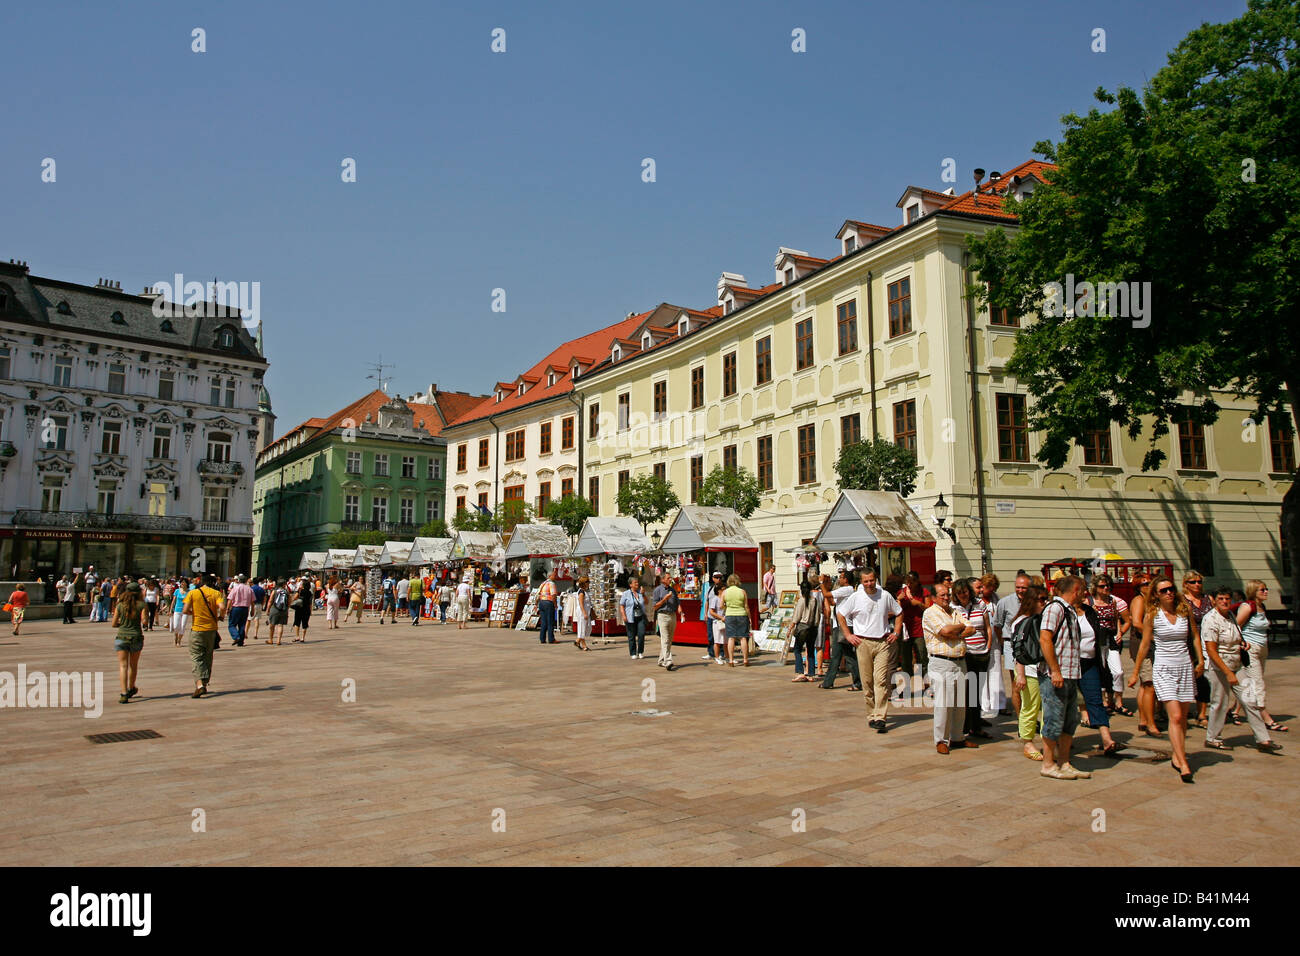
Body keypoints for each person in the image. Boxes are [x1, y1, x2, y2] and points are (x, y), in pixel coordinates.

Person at [1130, 575, 1203, 782]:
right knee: (1176, 716)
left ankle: (1177, 754)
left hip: (1185, 667)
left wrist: (1201, 660)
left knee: (1183, 718)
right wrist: (1135, 672)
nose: (1169, 593)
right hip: (1163, 668)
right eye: (1163, 591)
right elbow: (1144, 645)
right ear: (1156, 595)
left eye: (1171, 589)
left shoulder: (1184, 611)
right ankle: (1183, 762)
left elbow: (1195, 636)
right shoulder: (1152, 615)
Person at [1201, 587, 1281, 752]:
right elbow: (1211, 650)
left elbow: (1235, 635)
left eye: (1227, 599)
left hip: (1236, 663)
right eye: (1221, 598)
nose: (1224, 602)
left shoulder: (1230, 615)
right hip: (1218, 666)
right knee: (1220, 703)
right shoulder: (1211, 619)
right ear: (1214, 600)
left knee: (1250, 700)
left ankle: (1263, 739)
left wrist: (1242, 644)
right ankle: (1213, 738)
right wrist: (1228, 673)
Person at [1037, 574, 1092, 780]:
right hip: (1055, 676)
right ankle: (1048, 763)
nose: (1085, 594)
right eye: (1083, 590)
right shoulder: (1055, 608)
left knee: (1070, 720)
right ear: (1076, 589)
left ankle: (1064, 761)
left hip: (1071, 674)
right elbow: (1045, 639)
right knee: (1053, 718)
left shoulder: (1069, 611)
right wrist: (1055, 670)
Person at [837, 567, 903, 733]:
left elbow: (899, 612)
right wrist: (848, 635)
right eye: (866, 581)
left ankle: (880, 716)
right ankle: (871, 714)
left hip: (882, 642)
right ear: (861, 582)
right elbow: (841, 614)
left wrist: (896, 632)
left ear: (876, 579)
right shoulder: (856, 597)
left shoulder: (885, 595)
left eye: (872, 580)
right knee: (867, 682)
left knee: (880, 680)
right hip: (863, 643)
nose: (869, 584)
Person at [923, 581, 977, 754]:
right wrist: (959, 630)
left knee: (960, 703)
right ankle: (941, 739)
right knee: (943, 703)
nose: (946, 598)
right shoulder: (930, 613)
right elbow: (944, 631)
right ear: (933, 598)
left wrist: (955, 631)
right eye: (942, 595)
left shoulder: (954, 612)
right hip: (941, 662)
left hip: (960, 660)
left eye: (947, 594)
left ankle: (958, 737)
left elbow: (972, 629)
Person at [1234, 580, 1288, 733]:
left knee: (1252, 682)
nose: (1266, 592)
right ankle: (1267, 719)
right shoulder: (1247, 607)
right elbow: (1236, 626)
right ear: (1253, 592)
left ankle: (1233, 711)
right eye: (1262, 590)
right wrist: (1241, 643)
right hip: (1250, 649)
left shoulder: (1261, 607)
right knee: (1257, 684)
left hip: (1263, 649)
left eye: (1266, 589)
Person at [1087, 573, 1132, 717]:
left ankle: (1118, 701)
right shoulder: (1089, 601)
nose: (1106, 588)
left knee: (1117, 671)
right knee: (1100, 670)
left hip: (1110, 639)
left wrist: (1120, 632)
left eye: (1108, 585)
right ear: (1095, 587)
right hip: (1096, 640)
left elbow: (1123, 619)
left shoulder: (1114, 601)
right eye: (1102, 586)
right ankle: (1104, 701)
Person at [1011, 584, 1047, 760]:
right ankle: (1028, 742)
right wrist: (1021, 675)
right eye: (1041, 599)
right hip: (1029, 670)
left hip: (1045, 670)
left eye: (1046, 599)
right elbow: (1018, 651)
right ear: (1032, 601)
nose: (1045, 602)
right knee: (1030, 707)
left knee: (1048, 708)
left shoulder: (1044, 619)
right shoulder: (1021, 622)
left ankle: (1049, 740)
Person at [954, 578, 993, 739]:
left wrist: (988, 646)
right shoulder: (953, 608)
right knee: (966, 691)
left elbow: (987, 627)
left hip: (982, 653)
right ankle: (964, 726)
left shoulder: (980, 605)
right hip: (965, 654)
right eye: (959, 593)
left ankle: (975, 726)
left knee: (977, 691)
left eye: (965, 591)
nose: (963, 595)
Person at [1127, 573, 1161, 738]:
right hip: (1142, 645)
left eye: (1150, 584)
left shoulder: (1152, 601)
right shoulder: (1139, 601)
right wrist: (1155, 637)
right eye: (1145, 584)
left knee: (1145, 683)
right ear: (1138, 587)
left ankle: (1144, 718)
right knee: (1149, 683)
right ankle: (1148, 721)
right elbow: (1137, 623)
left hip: (1148, 644)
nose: (1148, 587)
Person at [993, 573, 1030, 716]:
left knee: (1032, 682)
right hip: (1011, 644)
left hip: (1030, 645)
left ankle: (1030, 716)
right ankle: (1021, 718)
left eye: (1024, 588)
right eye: (1018, 587)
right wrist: (1003, 643)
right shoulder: (1005, 602)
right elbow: (997, 624)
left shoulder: (1034, 601)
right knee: (1016, 682)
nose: (1020, 590)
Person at [182, 574, 225, 698]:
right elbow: (222, 607)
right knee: (208, 656)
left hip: (197, 629)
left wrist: (193, 612)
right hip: (211, 630)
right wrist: (220, 616)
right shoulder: (216, 594)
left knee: (196, 657)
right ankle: (205, 683)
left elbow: (184, 610)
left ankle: (199, 685)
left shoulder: (193, 593)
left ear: (202, 582)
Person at [820, 570, 863, 690]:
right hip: (841, 626)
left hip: (843, 626)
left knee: (842, 656)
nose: (839, 579)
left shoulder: (847, 589)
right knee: (844, 655)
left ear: (846, 580)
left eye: (841, 577)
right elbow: (833, 601)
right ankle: (830, 682)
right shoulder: (845, 591)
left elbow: (827, 595)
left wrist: (822, 582)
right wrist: (826, 585)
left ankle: (856, 682)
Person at [1182, 570, 1211, 727]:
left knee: (1204, 679)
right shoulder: (1182, 601)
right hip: (1188, 643)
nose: (1197, 585)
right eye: (1193, 582)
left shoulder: (1208, 599)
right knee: (1187, 678)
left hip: (1208, 642)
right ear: (1185, 584)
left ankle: (1201, 713)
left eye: (1199, 581)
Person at [112, 581, 148, 704]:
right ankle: (131, 687)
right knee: (133, 665)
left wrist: (122, 624)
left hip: (121, 637)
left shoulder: (120, 605)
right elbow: (145, 622)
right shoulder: (142, 605)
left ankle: (123, 693)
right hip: (136, 637)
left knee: (123, 666)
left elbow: (113, 623)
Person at [896, 571, 929, 694]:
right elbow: (896, 610)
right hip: (906, 630)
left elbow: (929, 608)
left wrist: (918, 603)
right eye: (907, 581)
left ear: (917, 581)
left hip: (919, 629)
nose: (909, 584)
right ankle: (906, 686)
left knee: (922, 656)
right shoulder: (902, 592)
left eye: (911, 582)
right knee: (905, 659)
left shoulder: (924, 592)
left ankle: (927, 684)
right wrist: (899, 600)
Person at [786, 579, 821, 682]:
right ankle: (811, 674)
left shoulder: (801, 600)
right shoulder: (814, 600)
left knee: (797, 649)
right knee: (810, 650)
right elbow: (818, 615)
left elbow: (797, 616)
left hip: (803, 627)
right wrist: (816, 625)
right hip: (813, 628)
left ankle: (800, 672)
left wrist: (790, 628)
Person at [651, 570, 678, 671]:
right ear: (662, 580)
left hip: (672, 615)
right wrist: (665, 599)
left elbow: (677, 602)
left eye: (670, 578)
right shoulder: (657, 590)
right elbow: (655, 606)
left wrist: (680, 611)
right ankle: (668, 661)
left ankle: (661, 660)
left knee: (669, 640)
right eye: (668, 578)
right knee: (665, 639)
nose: (670, 579)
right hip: (662, 615)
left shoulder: (673, 590)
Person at [721, 573, 750, 667]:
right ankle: (745, 660)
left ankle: (731, 660)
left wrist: (727, 608)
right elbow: (746, 606)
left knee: (731, 637)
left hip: (730, 615)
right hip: (742, 615)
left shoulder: (725, 592)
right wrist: (749, 618)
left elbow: (721, 606)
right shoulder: (743, 591)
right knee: (743, 638)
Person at [618, 575, 647, 660]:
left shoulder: (640, 593)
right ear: (630, 585)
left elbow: (646, 602)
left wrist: (643, 594)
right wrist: (623, 615)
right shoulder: (626, 594)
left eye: (637, 582)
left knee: (641, 634)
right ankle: (633, 652)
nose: (637, 584)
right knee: (631, 635)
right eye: (635, 583)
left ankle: (640, 651)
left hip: (640, 616)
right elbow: (621, 605)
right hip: (630, 616)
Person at [226, 574, 255, 646]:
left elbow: (230, 599)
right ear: (246, 581)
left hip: (236, 608)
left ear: (238, 580)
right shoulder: (249, 589)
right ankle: (241, 641)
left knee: (232, 624)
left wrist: (228, 608)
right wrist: (252, 610)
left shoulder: (235, 588)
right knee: (242, 625)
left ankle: (236, 637)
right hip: (245, 608)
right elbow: (252, 601)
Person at [707, 571, 727, 665]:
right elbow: (707, 601)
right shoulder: (711, 588)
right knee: (712, 637)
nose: (718, 579)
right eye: (716, 577)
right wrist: (705, 613)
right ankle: (712, 654)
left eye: (720, 577)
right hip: (713, 617)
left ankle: (722, 654)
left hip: (720, 618)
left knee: (722, 638)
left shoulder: (724, 589)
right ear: (713, 578)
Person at [537, 569, 559, 645]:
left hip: (541, 602)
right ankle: (551, 639)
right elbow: (553, 595)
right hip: (548, 603)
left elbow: (538, 593)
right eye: (554, 575)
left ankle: (542, 638)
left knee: (543, 622)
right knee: (550, 621)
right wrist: (555, 604)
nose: (555, 576)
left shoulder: (543, 583)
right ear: (550, 576)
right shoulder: (551, 584)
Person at [266, 578, 289, 645]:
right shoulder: (286, 592)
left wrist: (268, 609)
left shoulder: (275, 591)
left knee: (272, 625)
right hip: (283, 610)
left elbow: (270, 601)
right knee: (280, 625)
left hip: (274, 609)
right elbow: (289, 601)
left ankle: (271, 640)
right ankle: (278, 640)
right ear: (284, 585)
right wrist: (287, 608)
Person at [572, 577, 592, 651]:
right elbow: (581, 603)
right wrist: (584, 613)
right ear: (584, 583)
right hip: (582, 612)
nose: (589, 583)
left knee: (584, 628)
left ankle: (583, 645)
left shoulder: (584, 591)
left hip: (585, 611)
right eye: (587, 582)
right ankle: (577, 641)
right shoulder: (581, 592)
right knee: (582, 628)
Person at [291, 576, 313, 642]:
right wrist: (310, 611)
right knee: (305, 624)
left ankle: (297, 636)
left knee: (297, 622)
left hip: (299, 609)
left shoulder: (300, 591)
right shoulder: (310, 593)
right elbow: (310, 603)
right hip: (307, 609)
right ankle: (303, 638)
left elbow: (294, 598)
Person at [171, 579, 191, 646]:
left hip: (185, 611)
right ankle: (176, 636)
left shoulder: (189, 592)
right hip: (177, 610)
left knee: (183, 626)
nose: (182, 584)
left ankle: (179, 641)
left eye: (183, 582)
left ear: (186, 584)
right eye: (181, 582)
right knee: (176, 626)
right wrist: (170, 610)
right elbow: (173, 601)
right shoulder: (177, 591)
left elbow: (191, 601)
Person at [248, 577, 266, 642]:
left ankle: (245, 633)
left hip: (252, 605)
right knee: (257, 619)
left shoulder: (251, 589)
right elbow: (264, 598)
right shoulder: (261, 589)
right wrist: (262, 604)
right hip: (259, 604)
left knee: (249, 619)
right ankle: (255, 633)